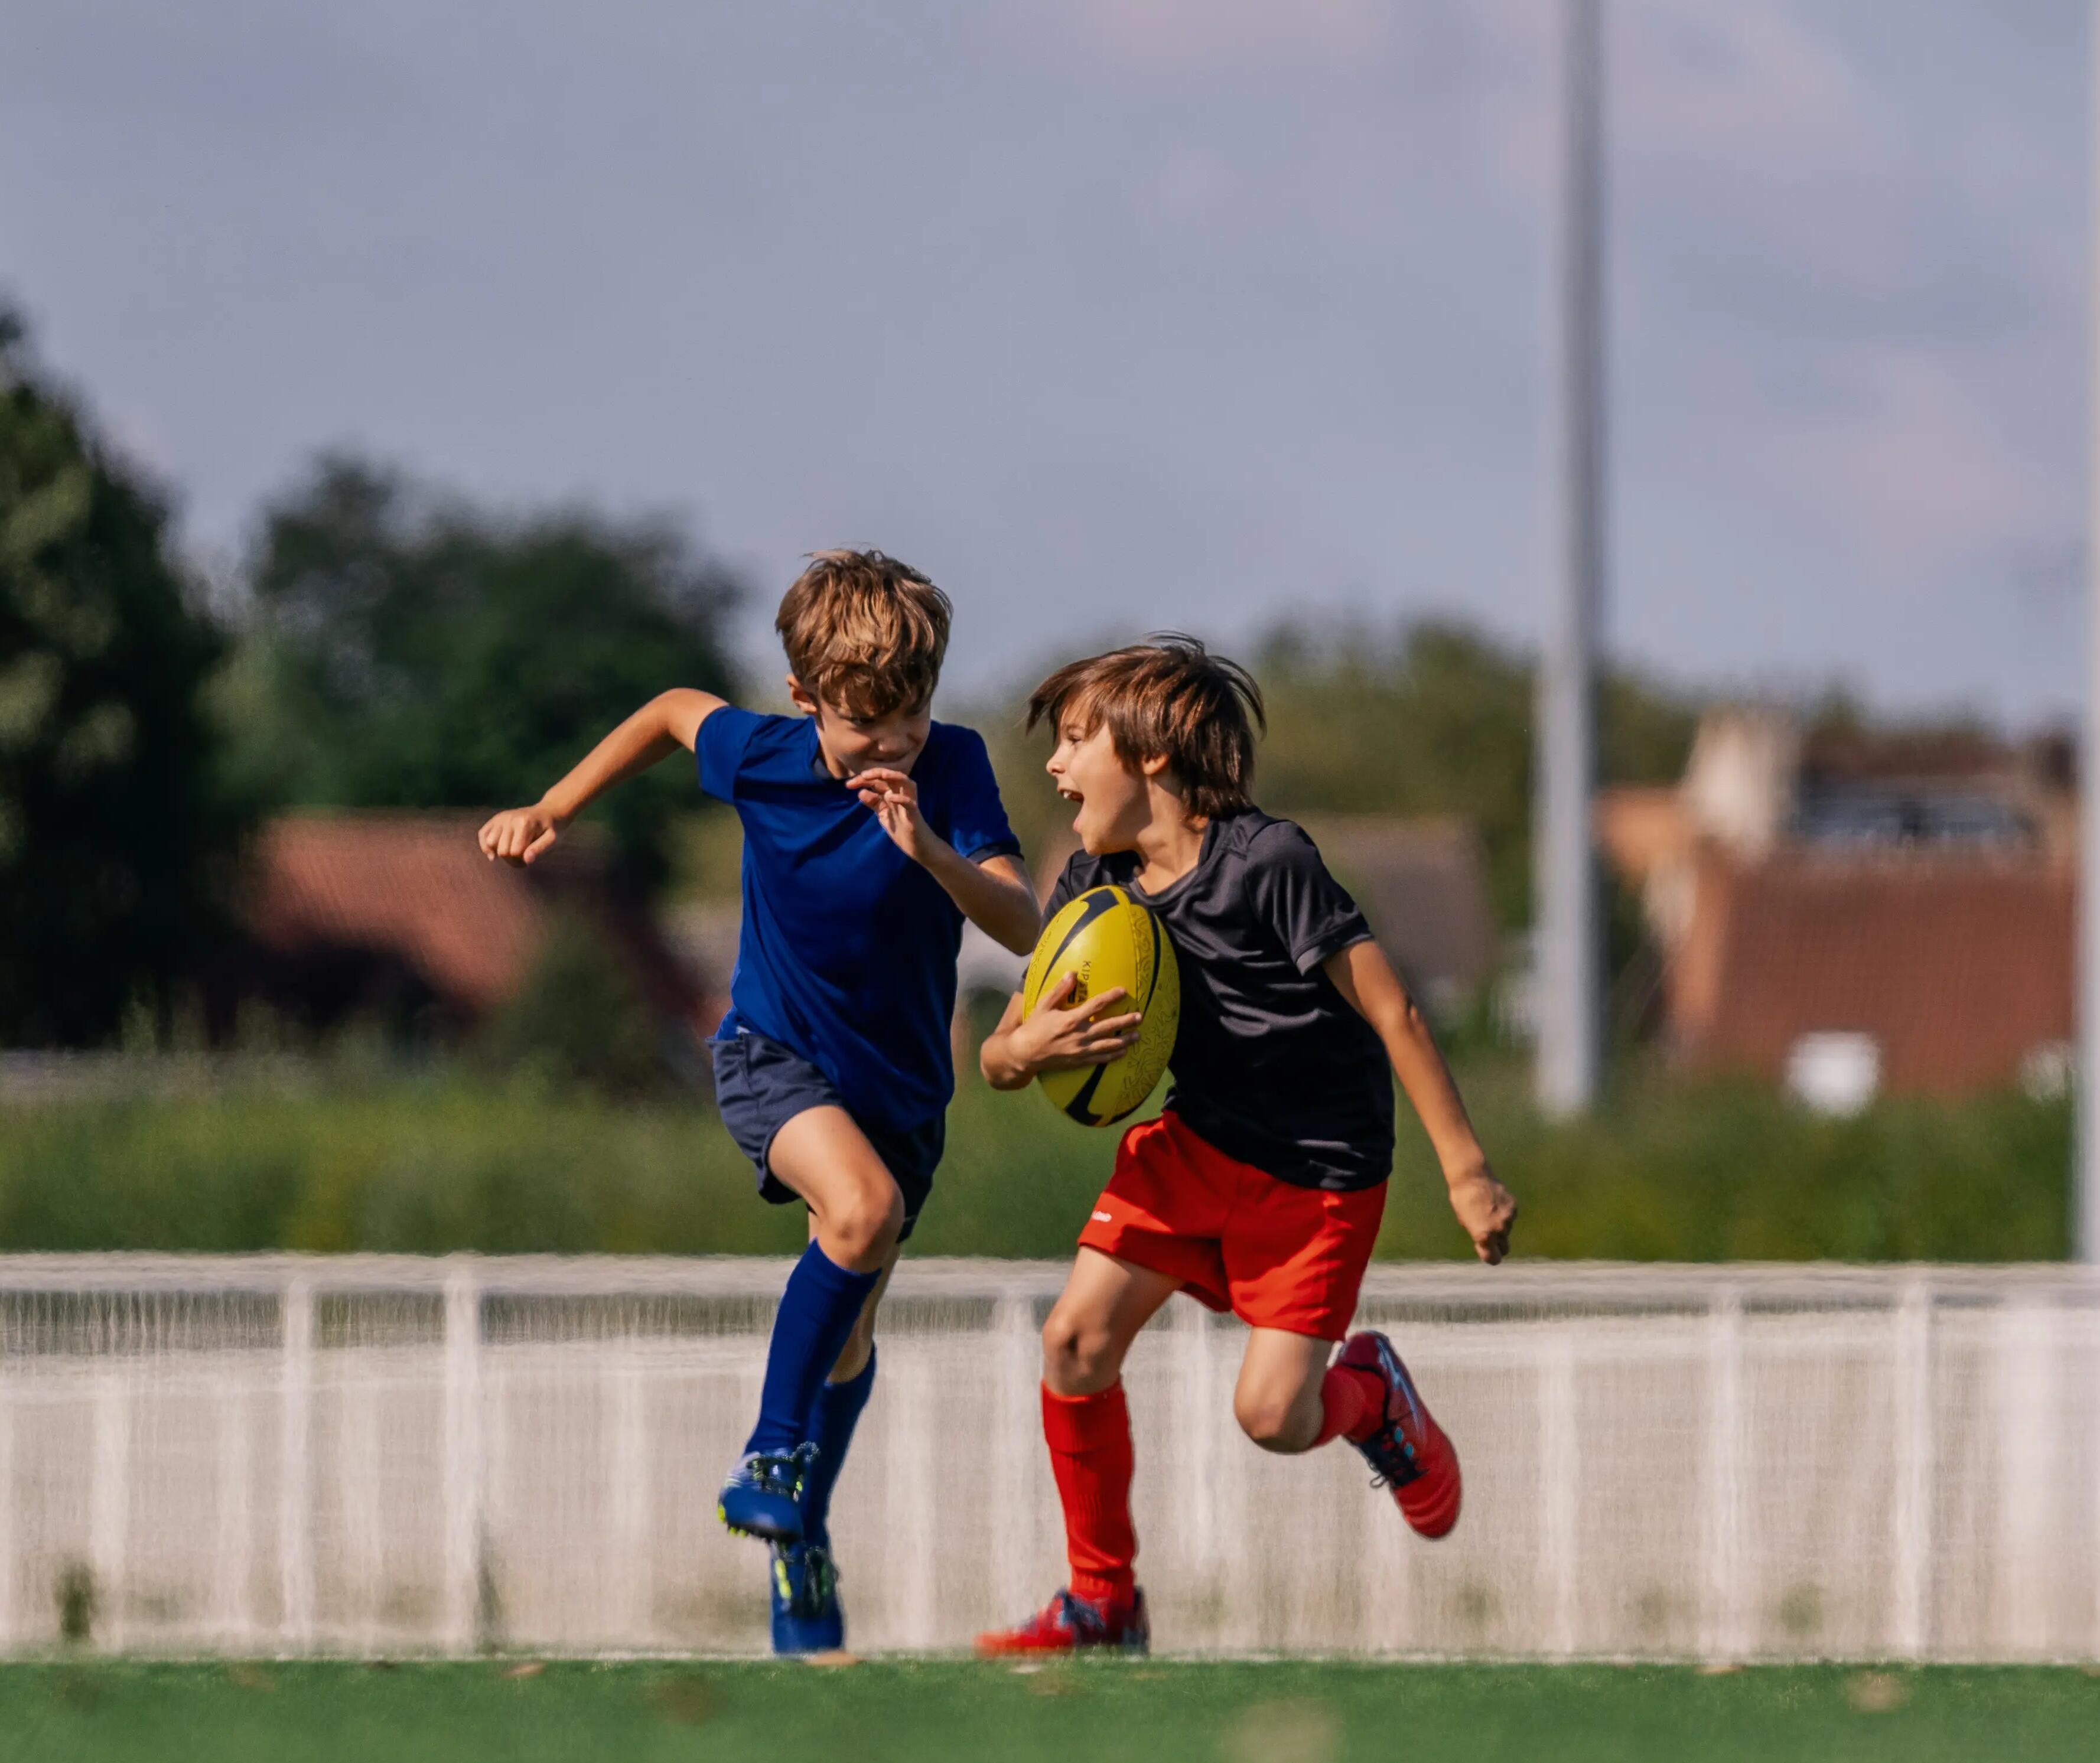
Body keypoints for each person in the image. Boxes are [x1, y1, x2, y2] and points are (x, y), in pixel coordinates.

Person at [479, 549, 1039, 1654]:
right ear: (803, 700)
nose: (889, 744)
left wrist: (930, 849)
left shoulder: (956, 769)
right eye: (862, 722)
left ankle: (801, 1535)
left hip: (905, 1093)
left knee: (852, 1332)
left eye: (910, 716)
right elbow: (672, 711)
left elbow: (1023, 923)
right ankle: (768, 1453)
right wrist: (554, 806)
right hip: (770, 1054)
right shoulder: (764, 754)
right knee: (862, 1213)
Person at [973, 637, 1516, 1657]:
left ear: (1152, 755)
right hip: (1195, 1143)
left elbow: (1392, 1007)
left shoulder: (1268, 862)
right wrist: (1022, 1047)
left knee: (1272, 1416)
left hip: (1318, 1174)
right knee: (1074, 1343)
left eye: (1077, 740)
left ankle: (1375, 1399)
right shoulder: (1096, 877)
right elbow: (1002, 1057)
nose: (1054, 765)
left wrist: (1468, 1172)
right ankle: (1104, 1602)